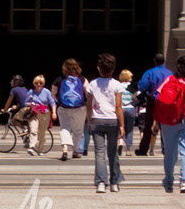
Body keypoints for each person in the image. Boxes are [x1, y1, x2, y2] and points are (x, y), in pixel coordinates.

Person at [156, 55, 185, 194]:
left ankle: (169, 180)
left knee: (170, 151)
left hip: (170, 120)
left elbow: (159, 97)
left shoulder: (170, 80)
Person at [85, 53, 124, 192]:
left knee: (99, 152)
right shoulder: (117, 85)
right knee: (113, 152)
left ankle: (101, 182)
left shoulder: (92, 84)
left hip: (97, 119)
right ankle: (114, 182)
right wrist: (122, 125)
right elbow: (119, 106)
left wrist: (90, 121)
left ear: (99, 68)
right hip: (113, 120)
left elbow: (89, 105)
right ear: (113, 69)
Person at [136, 53, 172, 157]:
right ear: (164, 61)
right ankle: (166, 149)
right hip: (166, 102)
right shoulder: (170, 73)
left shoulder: (150, 72)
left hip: (152, 101)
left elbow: (142, 86)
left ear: (154, 61)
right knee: (164, 126)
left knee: (148, 126)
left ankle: (143, 150)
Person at [52, 59, 86, 159]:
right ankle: (75, 151)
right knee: (78, 130)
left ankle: (65, 148)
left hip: (64, 108)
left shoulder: (59, 80)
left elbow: (53, 94)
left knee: (64, 128)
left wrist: (59, 102)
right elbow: (88, 92)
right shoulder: (82, 79)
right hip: (80, 108)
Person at [24, 75, 55, 155]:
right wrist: (30, 104)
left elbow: (52, 102)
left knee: (42, 133)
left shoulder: (47, 92)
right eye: (36, 83)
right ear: (34, 83)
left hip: (45, 113)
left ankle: (40, 150)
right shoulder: (31, 92)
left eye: (40, 83)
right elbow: (25, 102)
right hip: (34, 113)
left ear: (43, 83)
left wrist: (54, 112)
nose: (38, 84)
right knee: (33, 129)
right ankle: (31, 147)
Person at [118, 69, 138, 155]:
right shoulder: (132, 86)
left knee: (121, 127)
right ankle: (128, 150)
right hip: (130, 108)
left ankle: (121, 142)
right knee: (129, 129)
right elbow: (136, 97)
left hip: (121, 108)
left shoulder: (117, 85)